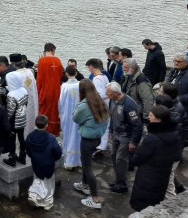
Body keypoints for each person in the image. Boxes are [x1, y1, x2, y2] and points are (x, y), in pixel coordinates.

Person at [129, 106, 182, 212]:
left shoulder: (152, 138)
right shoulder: (174, 134)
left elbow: (138, 158)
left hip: (148, 176)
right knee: (155, 202)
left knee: (143, 205)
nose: (148, 117)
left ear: (158, 120)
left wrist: (133, 158)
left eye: (151, 116)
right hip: (163, 173)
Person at [73, 79, 109, 209]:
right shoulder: (99, 101)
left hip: (87, 140)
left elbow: (75, 118)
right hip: (97, 137)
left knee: (88, 167)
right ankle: (84, 184)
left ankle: (95, 198)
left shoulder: (84, 105)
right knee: (85, 162)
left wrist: (78, 105)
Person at [106, 81, 143, 194]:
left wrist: (133, 142)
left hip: (126, 136)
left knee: (121, 159)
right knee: (113, 156)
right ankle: (118, 179)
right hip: (116, 134)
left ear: (114, 93)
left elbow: (137, 125)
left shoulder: (129, 104)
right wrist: (111, 131)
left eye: (107, 92)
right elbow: (112, 116)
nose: (106, 94)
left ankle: (122, 184)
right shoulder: (112, 101)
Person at [25, 115, 62, 211]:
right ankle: (46, 202)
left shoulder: (29, 137)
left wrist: (34, 157)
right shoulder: (51, 138)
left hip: (36, 164)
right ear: (46, 125)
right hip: (48, 164)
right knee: (48, 185)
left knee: (38, 180)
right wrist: (53, 159)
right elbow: (58, 152)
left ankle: (35, 197)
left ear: (35, 124)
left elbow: (28, 151)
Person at [36, 43, 64, 136]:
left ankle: (44, 131)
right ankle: (54, 132)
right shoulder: (58, 61)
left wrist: (38, 92)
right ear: (53, 50)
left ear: (45, 50)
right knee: (54, 111)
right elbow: (60, 78)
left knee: (45, 111)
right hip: (56, 91)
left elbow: (39, 79)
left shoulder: (42, 61)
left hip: (45, 91)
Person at [3, 71, 28, 167]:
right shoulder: (23, 90)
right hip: (22, 117)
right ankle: (22, 157)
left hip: (13, 121)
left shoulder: (11, 94)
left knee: (12, 139)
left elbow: (10, 111)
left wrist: (6, 121)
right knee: (21, 138)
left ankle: (12, 159)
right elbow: (26, 103)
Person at [86, 58, 110, 157]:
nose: (88, 70)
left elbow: (100, 94)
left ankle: (100, 147)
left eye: (88, 67)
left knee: (101, 126)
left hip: (101, 106)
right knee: (106, 125)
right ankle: (102, 145)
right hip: (107, 104)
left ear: (92, 67)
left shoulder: (96, 79)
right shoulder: (104, 77)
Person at [59, 66, 81, 169]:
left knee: (68, 134)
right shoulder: (80, 85)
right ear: (76, 73)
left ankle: (69, 161)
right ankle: (79, 160)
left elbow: (61, 102)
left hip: (67, 115)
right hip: (78, 113)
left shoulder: (64, 86)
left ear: (66, 74)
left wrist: (61, 113)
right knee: (78, 135)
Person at [12, 53, 39, 136]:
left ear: (13, 64)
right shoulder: (30, 72)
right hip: (32, 105)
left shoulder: (15, 75)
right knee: (31, 126)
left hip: (22, 107)